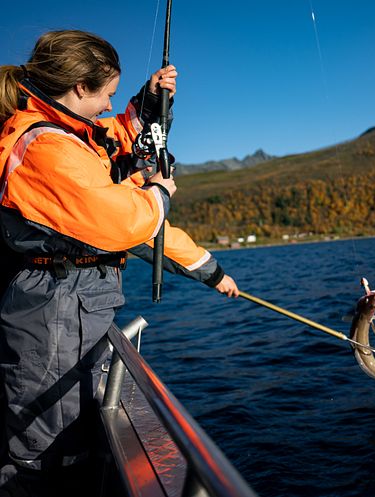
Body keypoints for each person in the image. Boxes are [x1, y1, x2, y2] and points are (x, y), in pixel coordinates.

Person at [0, 30, 239, 494]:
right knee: (43, 449)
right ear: (81, 89)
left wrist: (147, 105)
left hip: (71, 311)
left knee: (68, 434)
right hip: (53, 318)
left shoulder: (68, 135)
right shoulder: (46, 150)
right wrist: (158, 193)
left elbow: (115, 139)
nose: (111, 104)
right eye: (107, 94)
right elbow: (124, 223)